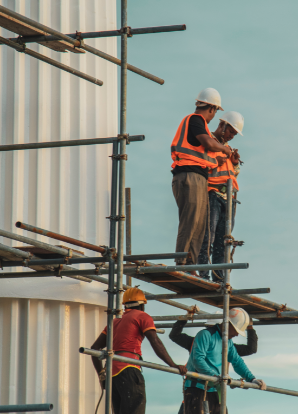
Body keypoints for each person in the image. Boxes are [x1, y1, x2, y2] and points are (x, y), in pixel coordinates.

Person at [90, 287, 188, 414]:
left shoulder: (114, 322)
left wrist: (102, 376)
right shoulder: (142, 316)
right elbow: (155, 341)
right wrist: (173, 365)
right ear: (142, 306)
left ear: (125, 306)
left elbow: (94, 349)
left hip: (112, 374)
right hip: (129, 369)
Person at [171, 88, 233, 275]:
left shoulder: (200, 125)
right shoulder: (195, 120)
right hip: (188, 176)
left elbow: (203, 153)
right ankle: (182, 262)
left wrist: (216, 159)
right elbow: (208, 143)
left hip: (198, 177)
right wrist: (226, 150)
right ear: (212, 108)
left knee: (199, 225)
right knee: (190, 222)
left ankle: (191, 264)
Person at [182, 308, 267, 414]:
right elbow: (198, 360)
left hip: (215, 389)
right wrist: (214, 376)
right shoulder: (205, 335)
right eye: (236, 330)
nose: (237, 334)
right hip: (197, 388)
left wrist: (251, 379)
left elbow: (237, 361)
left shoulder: (228, 342)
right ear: (228, 324)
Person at [197, 111, 245, 282]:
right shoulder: (208, 141)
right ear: (222, 125)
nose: (232, 136)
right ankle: (203, 273)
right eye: (230, 131)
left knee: (223, 241)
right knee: (207, 236)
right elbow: (201, 165)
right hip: (213, 194)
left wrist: (236, 163)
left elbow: (233, 174)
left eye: (234, 133)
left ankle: (219, 277)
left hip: (228, 198)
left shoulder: (228, 149)